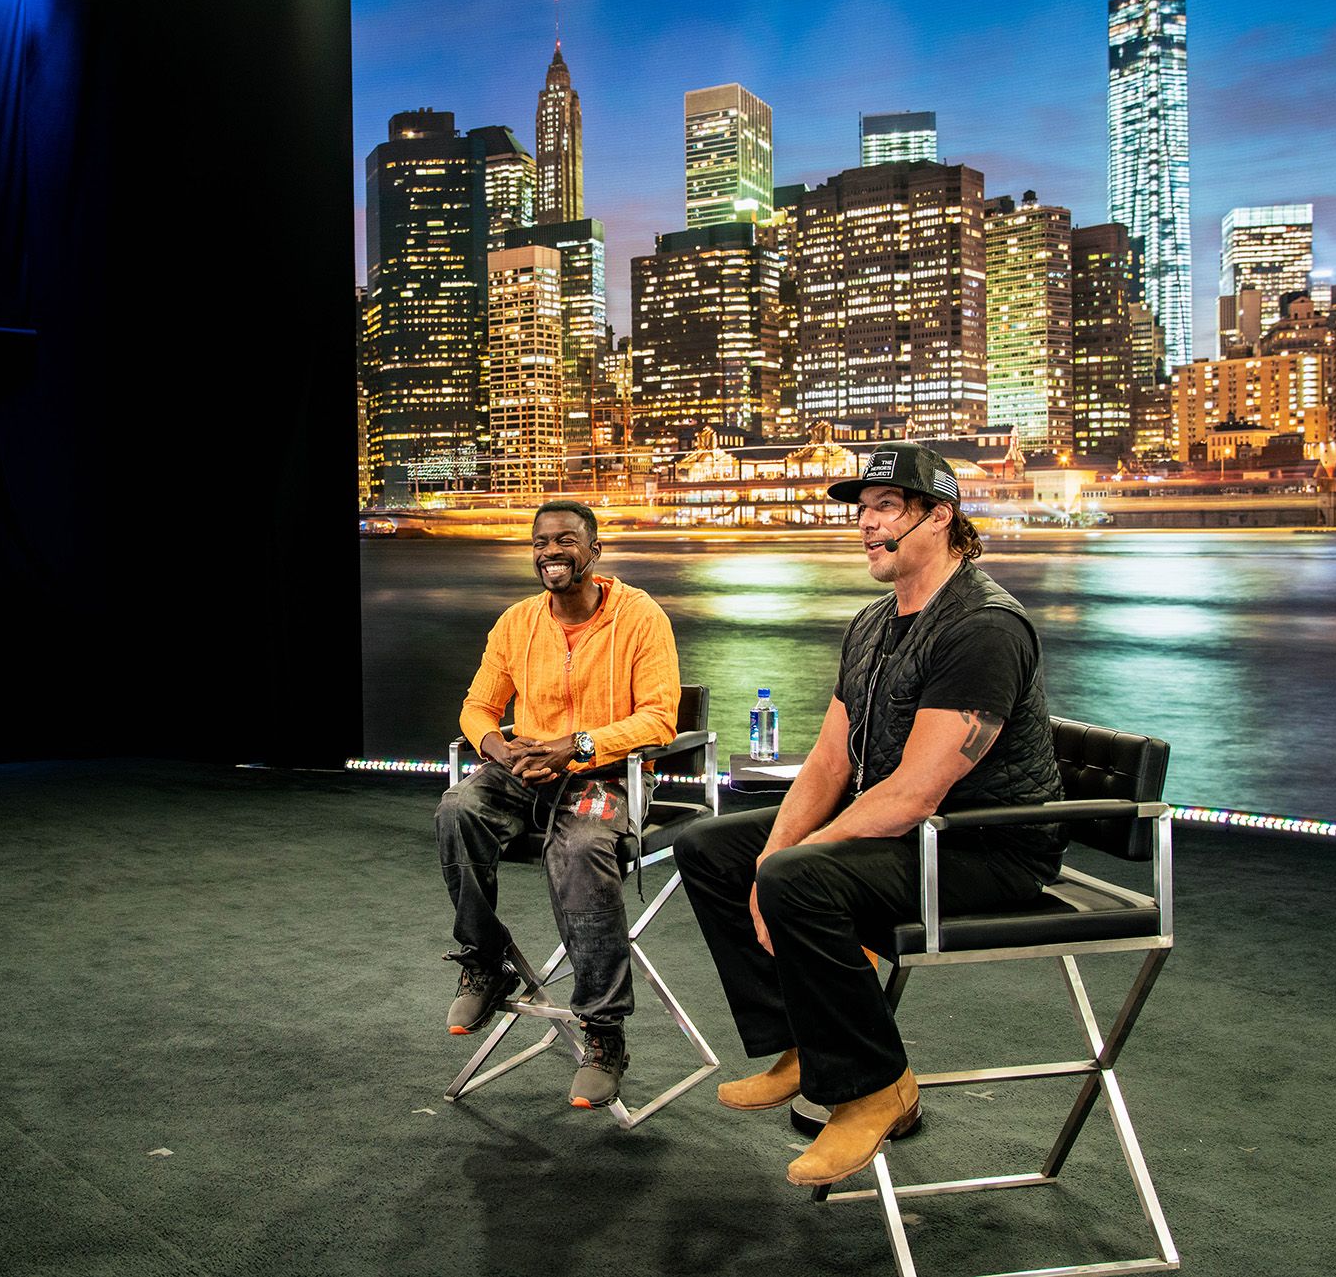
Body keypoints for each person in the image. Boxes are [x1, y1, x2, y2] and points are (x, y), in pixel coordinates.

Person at [675, 442, 1064, 1187]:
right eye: (861, 511)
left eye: (885, 507)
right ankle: (800, 1042)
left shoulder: (982, 626)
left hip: (986, 846)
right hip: (915, 830)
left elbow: (915, 794)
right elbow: (829, 763)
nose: (865, 524)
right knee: (710, 848)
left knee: (796, 877)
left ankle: (876, 1086)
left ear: (940, 516)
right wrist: (765, 857)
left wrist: (785, 864)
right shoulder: (871, 623)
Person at [436, 499, 680, 1109]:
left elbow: (659, 718)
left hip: (602, 776)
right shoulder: (516, 622)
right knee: (458, 808)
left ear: (594, 552)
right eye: (541, 542)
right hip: (526, 770)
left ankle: (603, 1032)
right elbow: (477, 708)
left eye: (566, 540)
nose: (551, 551)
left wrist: (578, 745)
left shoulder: (640, 617)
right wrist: (495, 747)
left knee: (582, 846)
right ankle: (485, 960)